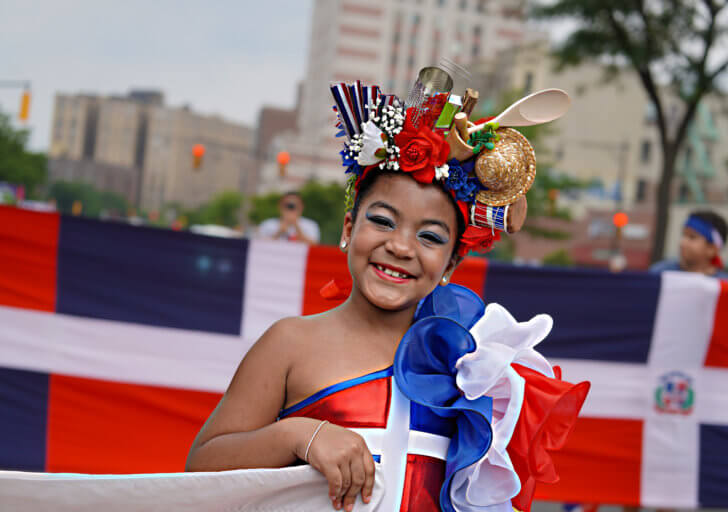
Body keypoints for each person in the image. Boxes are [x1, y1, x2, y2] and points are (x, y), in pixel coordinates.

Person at [186, 76, 589, 512]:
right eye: (382, 221)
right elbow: (202, 468)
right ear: (347, 228)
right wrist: (301, 435)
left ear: (452, 264)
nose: (400, 247)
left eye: (431, 237)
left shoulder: (472, 365)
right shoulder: (289, 343)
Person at [650, 210, 728, 279]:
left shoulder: (725, 284)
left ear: (712, 249)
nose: (682, 242)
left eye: (692, 237)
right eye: (684, 235)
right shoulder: (659, 272)